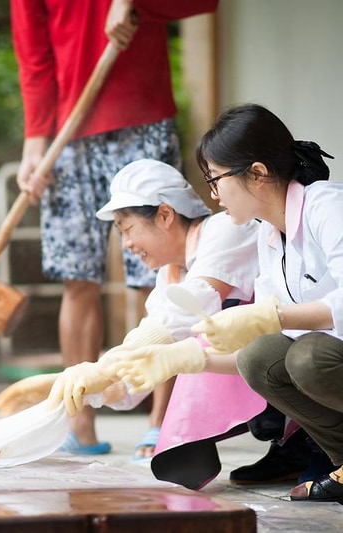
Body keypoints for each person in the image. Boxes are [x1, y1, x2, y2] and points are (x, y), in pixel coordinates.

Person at [82, 103, 339, 502]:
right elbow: (270, 337)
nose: (214, 193)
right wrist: (191, 360)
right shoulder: (268, 236)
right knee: (260, 357)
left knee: (304, 356)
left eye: (216, 179)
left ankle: (303, 450)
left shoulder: (326, 206)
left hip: (323, 358)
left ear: (256, 173)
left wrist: (273, 314)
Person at [11, 0, 218, 455]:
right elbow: (34, 55)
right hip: (67, 128)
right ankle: (77, 422)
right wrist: (35, 137)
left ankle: (163, 422)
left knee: (159, 271)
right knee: (77, 277)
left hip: (142, 117)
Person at [0, 159, 267, 485]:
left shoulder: (225, 230)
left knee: (205, 342)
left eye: (127, 228)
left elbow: (177, 320)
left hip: (297, 351)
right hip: (258, 366)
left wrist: (99, 369)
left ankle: (306, 443)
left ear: (165, 215)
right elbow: (137, 377)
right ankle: (288, 446)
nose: (125, 244)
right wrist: (73, 388)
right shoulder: (170, 274)